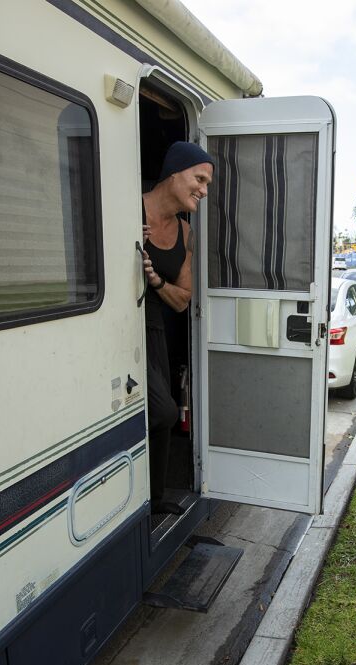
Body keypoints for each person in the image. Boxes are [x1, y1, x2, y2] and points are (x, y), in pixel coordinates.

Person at [141, 142, 213, 517]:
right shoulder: (127, 207)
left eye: (207, 183)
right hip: (118, 326)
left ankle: (154, 499)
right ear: (174, 172)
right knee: (164, 411)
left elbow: (184, 298)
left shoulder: (185, 232)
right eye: (199, 179)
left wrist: (155, 282)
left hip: (153, 328)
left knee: (164, 413)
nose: (203, 189)